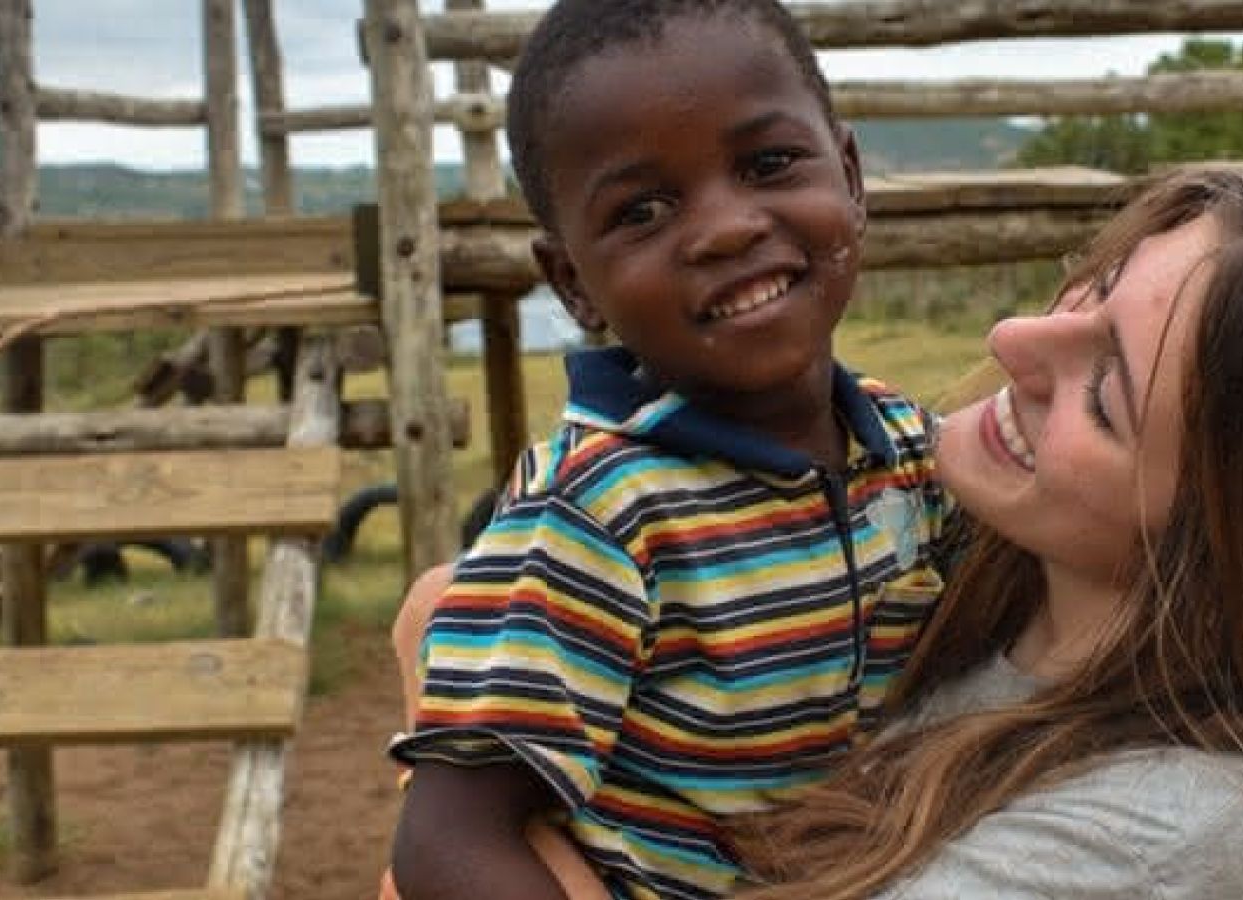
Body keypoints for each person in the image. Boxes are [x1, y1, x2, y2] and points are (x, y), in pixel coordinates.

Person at [721, 169, 1243, 899]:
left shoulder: (1184, 832)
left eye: (1105, 398)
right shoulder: (953, 574)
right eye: (1093, 286)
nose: (1013, 338)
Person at [383, 2, 951, 899]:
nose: (727, 228)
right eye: (643, 210)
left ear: (850, 174)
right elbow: (449, 837)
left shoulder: (914, 452)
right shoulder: (596, 516)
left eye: (768, 165)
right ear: (574, 283)